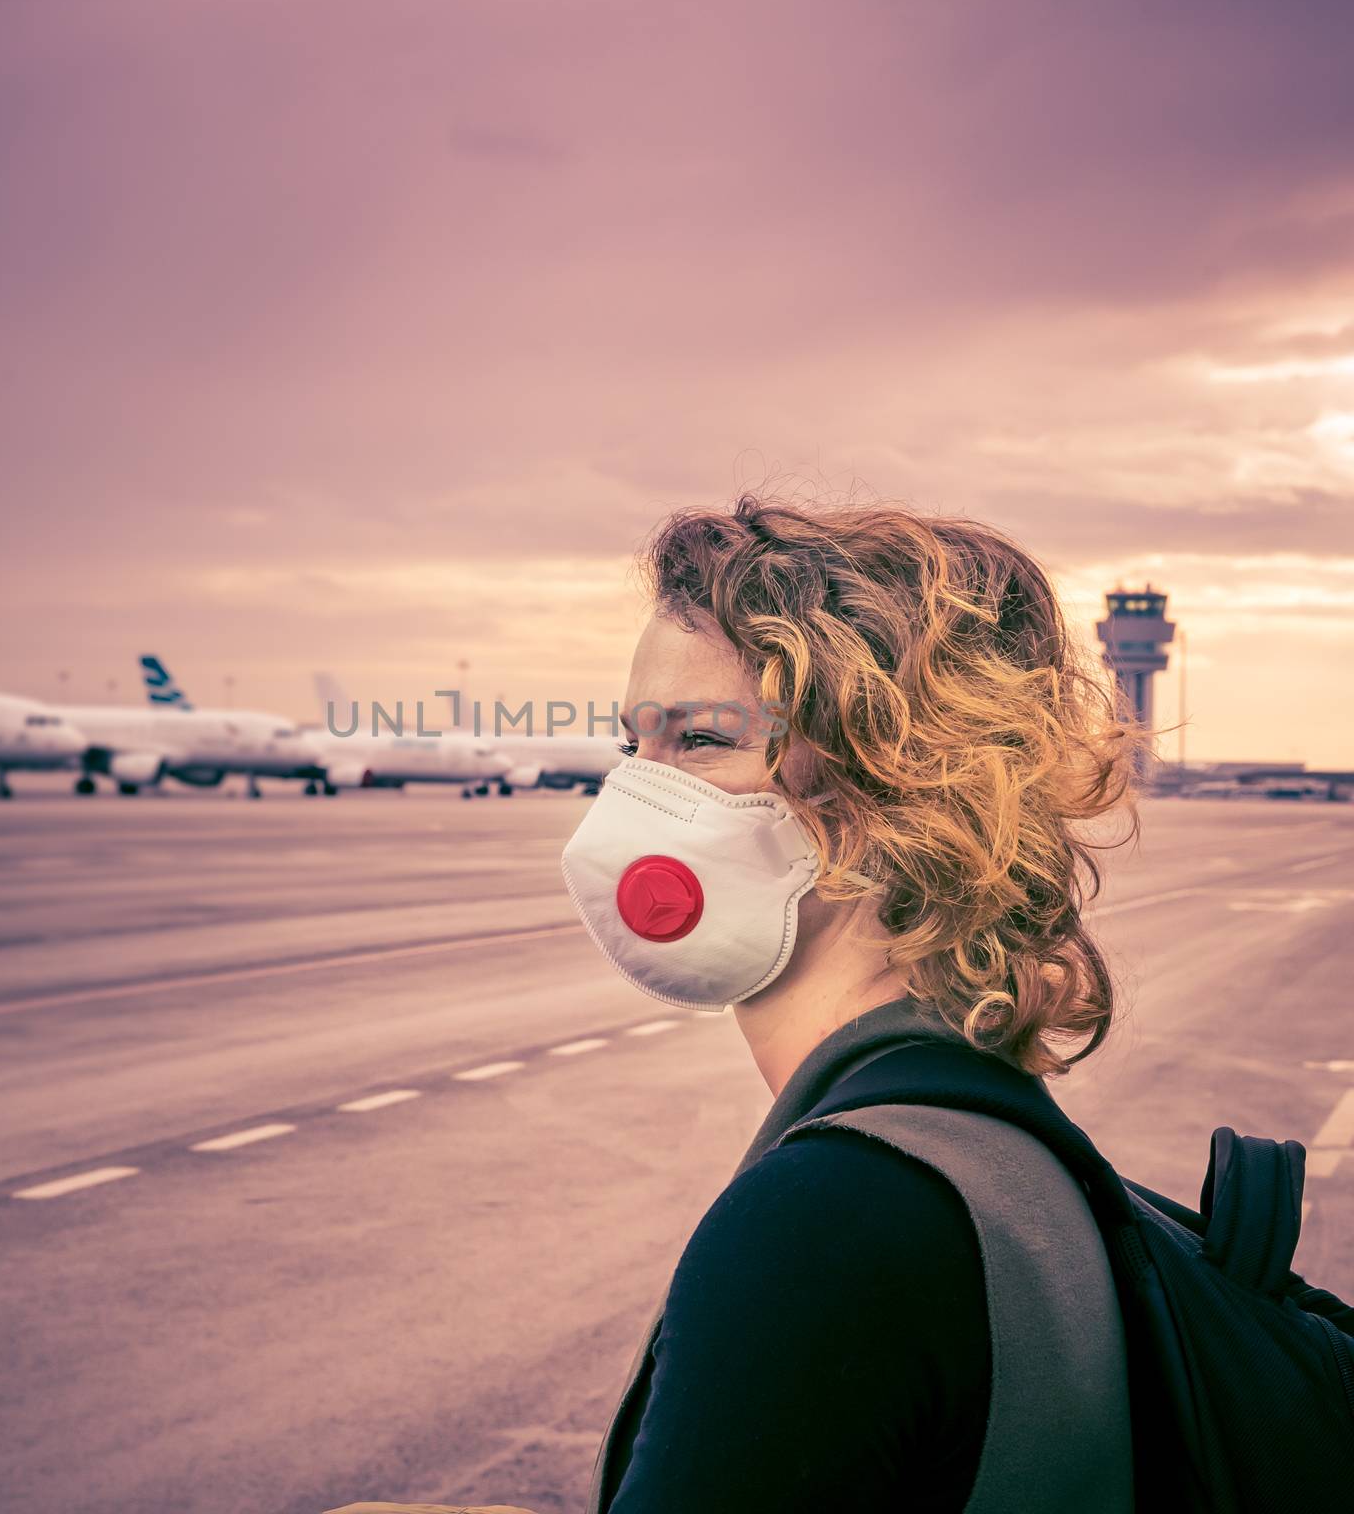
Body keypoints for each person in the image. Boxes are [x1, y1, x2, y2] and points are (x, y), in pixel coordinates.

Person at [332, 494, 1140, 1514]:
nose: (634, 799)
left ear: (892, 796)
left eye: (702, 742)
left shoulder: (827, 1226)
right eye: (635, 746)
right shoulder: (985, 1141)